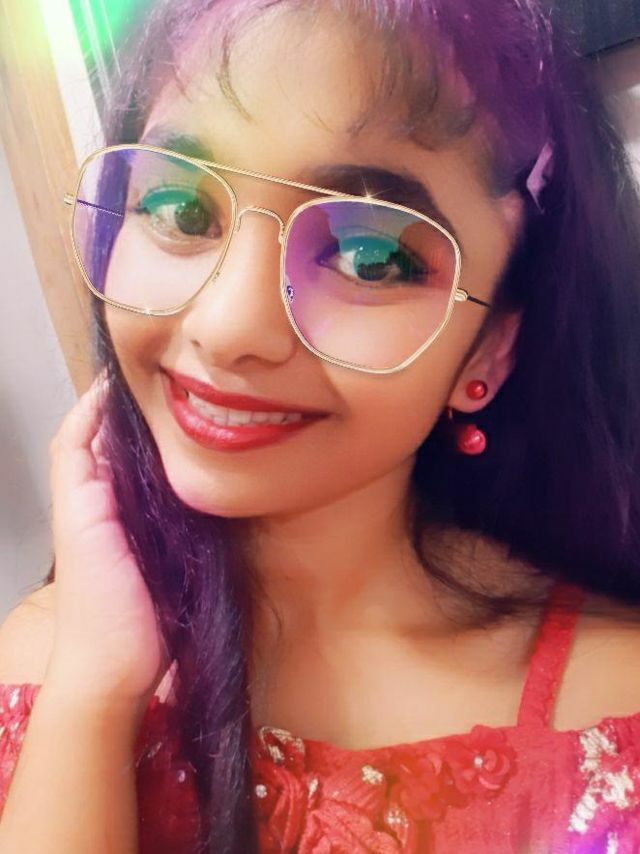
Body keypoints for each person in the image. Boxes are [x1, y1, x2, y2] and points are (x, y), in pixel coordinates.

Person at [1, 0, 640, 851]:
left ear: (491, 344)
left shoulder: (612, 718)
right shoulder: (45, 657)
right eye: (183, 211)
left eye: (370, 255)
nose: (228, 327)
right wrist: (93, 696)